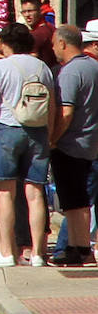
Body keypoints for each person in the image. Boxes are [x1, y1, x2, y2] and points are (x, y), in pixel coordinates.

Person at [0, 23, 57, 268]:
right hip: (38, 130)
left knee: (5, 193)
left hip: (8, 127)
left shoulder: (0, 66)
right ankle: (37, 253)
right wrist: (50, 132)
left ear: (6, 42)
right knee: (35, 193)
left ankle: (6, 251)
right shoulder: (42, 66)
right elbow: (52, 103)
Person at [51, 24, 98, 265]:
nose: (53, 49)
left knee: (71, 200)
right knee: (81, 200)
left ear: (62, 43)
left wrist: (53, 139)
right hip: (90, 144)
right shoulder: (93, 67)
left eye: (53, 43)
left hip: (70, 144)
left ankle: (77, 246)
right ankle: (81, 248)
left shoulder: (70, 72)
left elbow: (66, 112)